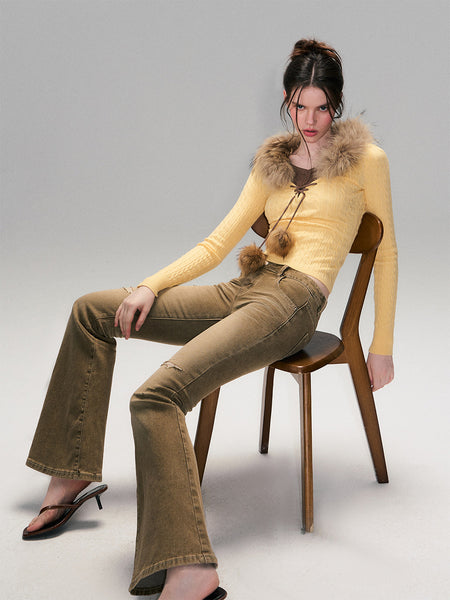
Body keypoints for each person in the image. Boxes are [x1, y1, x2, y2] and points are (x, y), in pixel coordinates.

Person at [23, 39, 397, 600]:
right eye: (300, 105)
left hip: (292, 304)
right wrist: (150, 285)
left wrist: (380, 343)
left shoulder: (368, 160)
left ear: (336, 106)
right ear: (287, 101)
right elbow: (218, 242)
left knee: (155, 397)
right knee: (91, 310)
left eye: (322, 107)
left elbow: (387, 252)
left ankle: (193, 570)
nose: (310, 119)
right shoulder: (273, 162)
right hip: (246, 287)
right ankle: (71, 469)